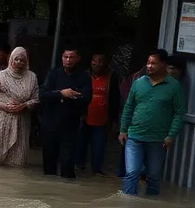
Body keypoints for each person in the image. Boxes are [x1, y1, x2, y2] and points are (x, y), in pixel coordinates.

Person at [119, 49, 187, 197]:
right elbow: (128, 107)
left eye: (154, 63)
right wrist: (123, 130)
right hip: (134, 135)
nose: (149, 66)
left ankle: (151, 205)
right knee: (132, 172)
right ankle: (126, 207)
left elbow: (179, 113)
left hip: (158, 139)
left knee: (153, 175)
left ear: (163, 65)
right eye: (148, 63)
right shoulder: (138, 83)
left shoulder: (174, 87)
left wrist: (171, 135)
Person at [38, 47, 92, 178]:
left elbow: (86, 98)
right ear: (62, 58)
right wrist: (61, 94)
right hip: (50, 124)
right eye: (65, 57)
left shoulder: (84, 76)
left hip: (70, 126)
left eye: (71, 57)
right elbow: (42, 94)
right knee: (49, 165)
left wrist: (70, 97)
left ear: (78, 59)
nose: (68, 60)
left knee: (67, 165)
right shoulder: (53, 74)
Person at [0, 47, 39, 167]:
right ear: (11, 60)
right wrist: (5, 106)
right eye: (16, 59)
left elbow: (36, 100)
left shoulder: (32, 77)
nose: (19, 62)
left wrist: (23, 105)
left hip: (21, 121)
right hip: (0, 121)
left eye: (22, 60)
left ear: (26, 61)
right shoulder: (0, 76)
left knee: (17, 161)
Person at [76, 52, 120, 175]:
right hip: (83, 116)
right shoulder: (84, 75)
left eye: (101, 61)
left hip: (102, 118)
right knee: (80, 143)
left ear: (106, 63)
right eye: (94, 60)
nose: (97, 63)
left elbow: (115, 99)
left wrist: (114, 119)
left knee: (99, 145)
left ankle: (97, 170)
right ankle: (79, 166)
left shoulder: (111, 77)